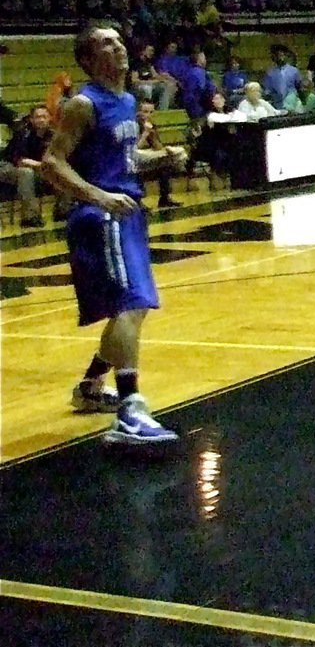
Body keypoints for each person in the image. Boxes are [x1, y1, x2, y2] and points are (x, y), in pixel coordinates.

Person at [39, 24, 187, 449]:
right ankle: (130, 409)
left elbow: (124, 158)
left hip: (125, 212)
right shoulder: (84, 103)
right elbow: (52, 163)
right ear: (87, 59)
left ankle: (89, 386)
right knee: (131, 303)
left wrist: (161, 158)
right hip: (100, 216)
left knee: (133, 310)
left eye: (119, 39)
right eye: (106, 42)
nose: (118, 46)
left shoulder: (125, 101)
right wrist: (99, 196)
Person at [1, 103, 54, 226]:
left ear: (50, 118)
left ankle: (63, 210)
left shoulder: (53, 135)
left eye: (44, 117)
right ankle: (29, 217)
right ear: (31, 119)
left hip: (37, 168)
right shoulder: (23, 133)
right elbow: (20, 160)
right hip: (8, 167)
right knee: (26, 173)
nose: (41, 120)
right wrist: (43, 165)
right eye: (37, 117)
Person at [135, 100, 180, 209]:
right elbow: (135, 147)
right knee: (136, 168)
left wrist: (153, 135)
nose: (148, 115)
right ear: (138, 112)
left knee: (165, 162)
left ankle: (164, 198)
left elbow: (157, 147)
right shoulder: (133, 124)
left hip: (146, 157)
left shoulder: (151, 124)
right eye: (145, 112)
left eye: (151, 112)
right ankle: (137, 201)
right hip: (132, 159)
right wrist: (145, 133)